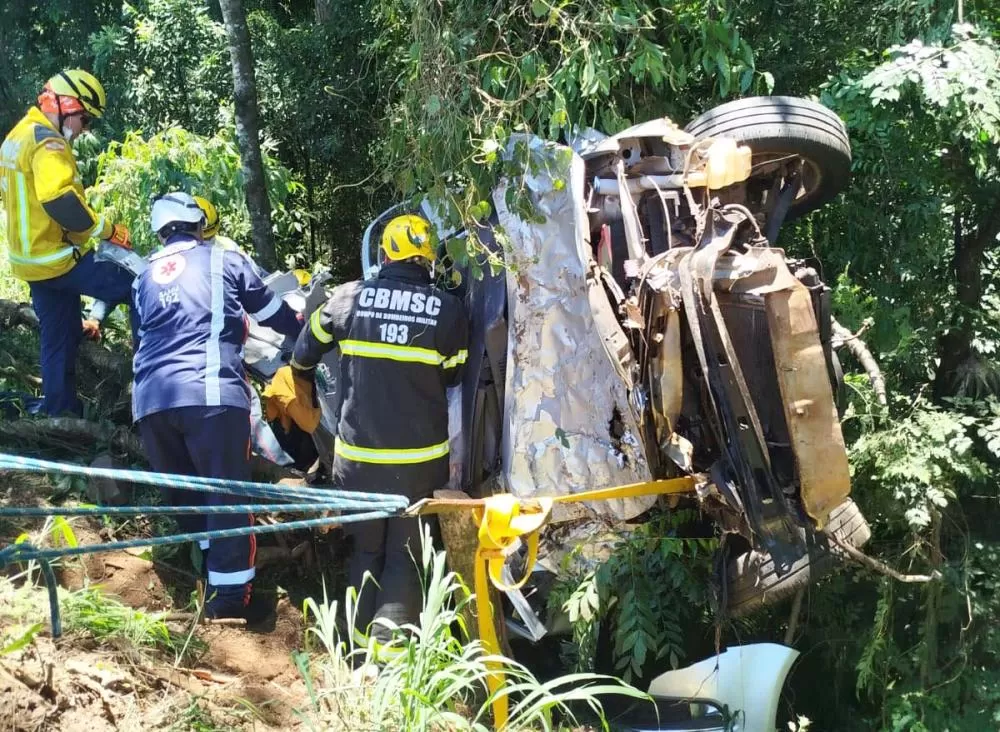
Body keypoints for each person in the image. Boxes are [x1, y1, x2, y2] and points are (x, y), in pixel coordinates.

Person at [281, 213, 468, 639]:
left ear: (384, 255)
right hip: (419, 466)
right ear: (427, 261)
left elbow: (302, 355)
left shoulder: (348, 298)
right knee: (405, 556)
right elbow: (456, 374)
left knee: (366, 550)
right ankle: (391, 660)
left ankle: (352, 648)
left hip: (358, 462)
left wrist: (308, 403)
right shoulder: (448, 310)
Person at [132, 191, 303, 621]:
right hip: (210, 396)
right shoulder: (221, 259)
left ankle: (208, 578)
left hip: (152, 402)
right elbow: (270, 309)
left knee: (187, 493)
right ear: (198, 224)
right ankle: (229, 604)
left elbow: (142, 339)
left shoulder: (142, 276)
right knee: (227, 493)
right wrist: (303, 331)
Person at [0, 70, 135, 415]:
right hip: (58, 258)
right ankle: (150, 381)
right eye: (84, 118)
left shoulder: (18, 136)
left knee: (57, 339)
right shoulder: (49, 143)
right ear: (67, 105)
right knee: (138, 285)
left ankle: (61, 413)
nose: (84, 128)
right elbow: (60, 201)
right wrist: (108, 231)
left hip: (31, 262)